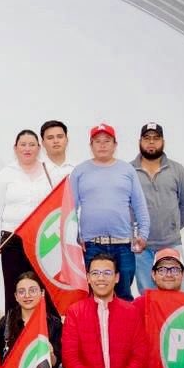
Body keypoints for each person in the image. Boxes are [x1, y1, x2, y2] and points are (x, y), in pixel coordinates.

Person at [70, 123, 150, 300]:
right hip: (91, 245)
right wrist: (74, 237)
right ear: (91, 145)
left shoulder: (127, 170)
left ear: (115, 145)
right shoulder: (79, 172)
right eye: (97, 141)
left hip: (123, 244)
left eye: (107, 141)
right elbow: (71, 209)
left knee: (123, 296)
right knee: (92, 297)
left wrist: (143, 234)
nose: (102, 145)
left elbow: (140, 205)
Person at [131, 123, 184, 293]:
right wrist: (135, 234)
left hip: (171, 244)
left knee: (179, 296)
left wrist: (172, 226)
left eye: (156, 138)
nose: (151, 142)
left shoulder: (177, 170)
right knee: (148, 296)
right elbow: (123, 207)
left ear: (163, 142)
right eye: (147, 138)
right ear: (140, 142)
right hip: (141, 248)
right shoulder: (129, 171)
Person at [0, 129, 50, 305]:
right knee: (14, 288)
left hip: (43, 240)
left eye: (32, 145)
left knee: (42, 289)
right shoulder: (6, 173)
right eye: (23, 145)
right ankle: (14, 323)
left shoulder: (49, 171)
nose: (27, 148)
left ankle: (43, 323)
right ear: (15, 148)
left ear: (39, 148)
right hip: (12, 240)